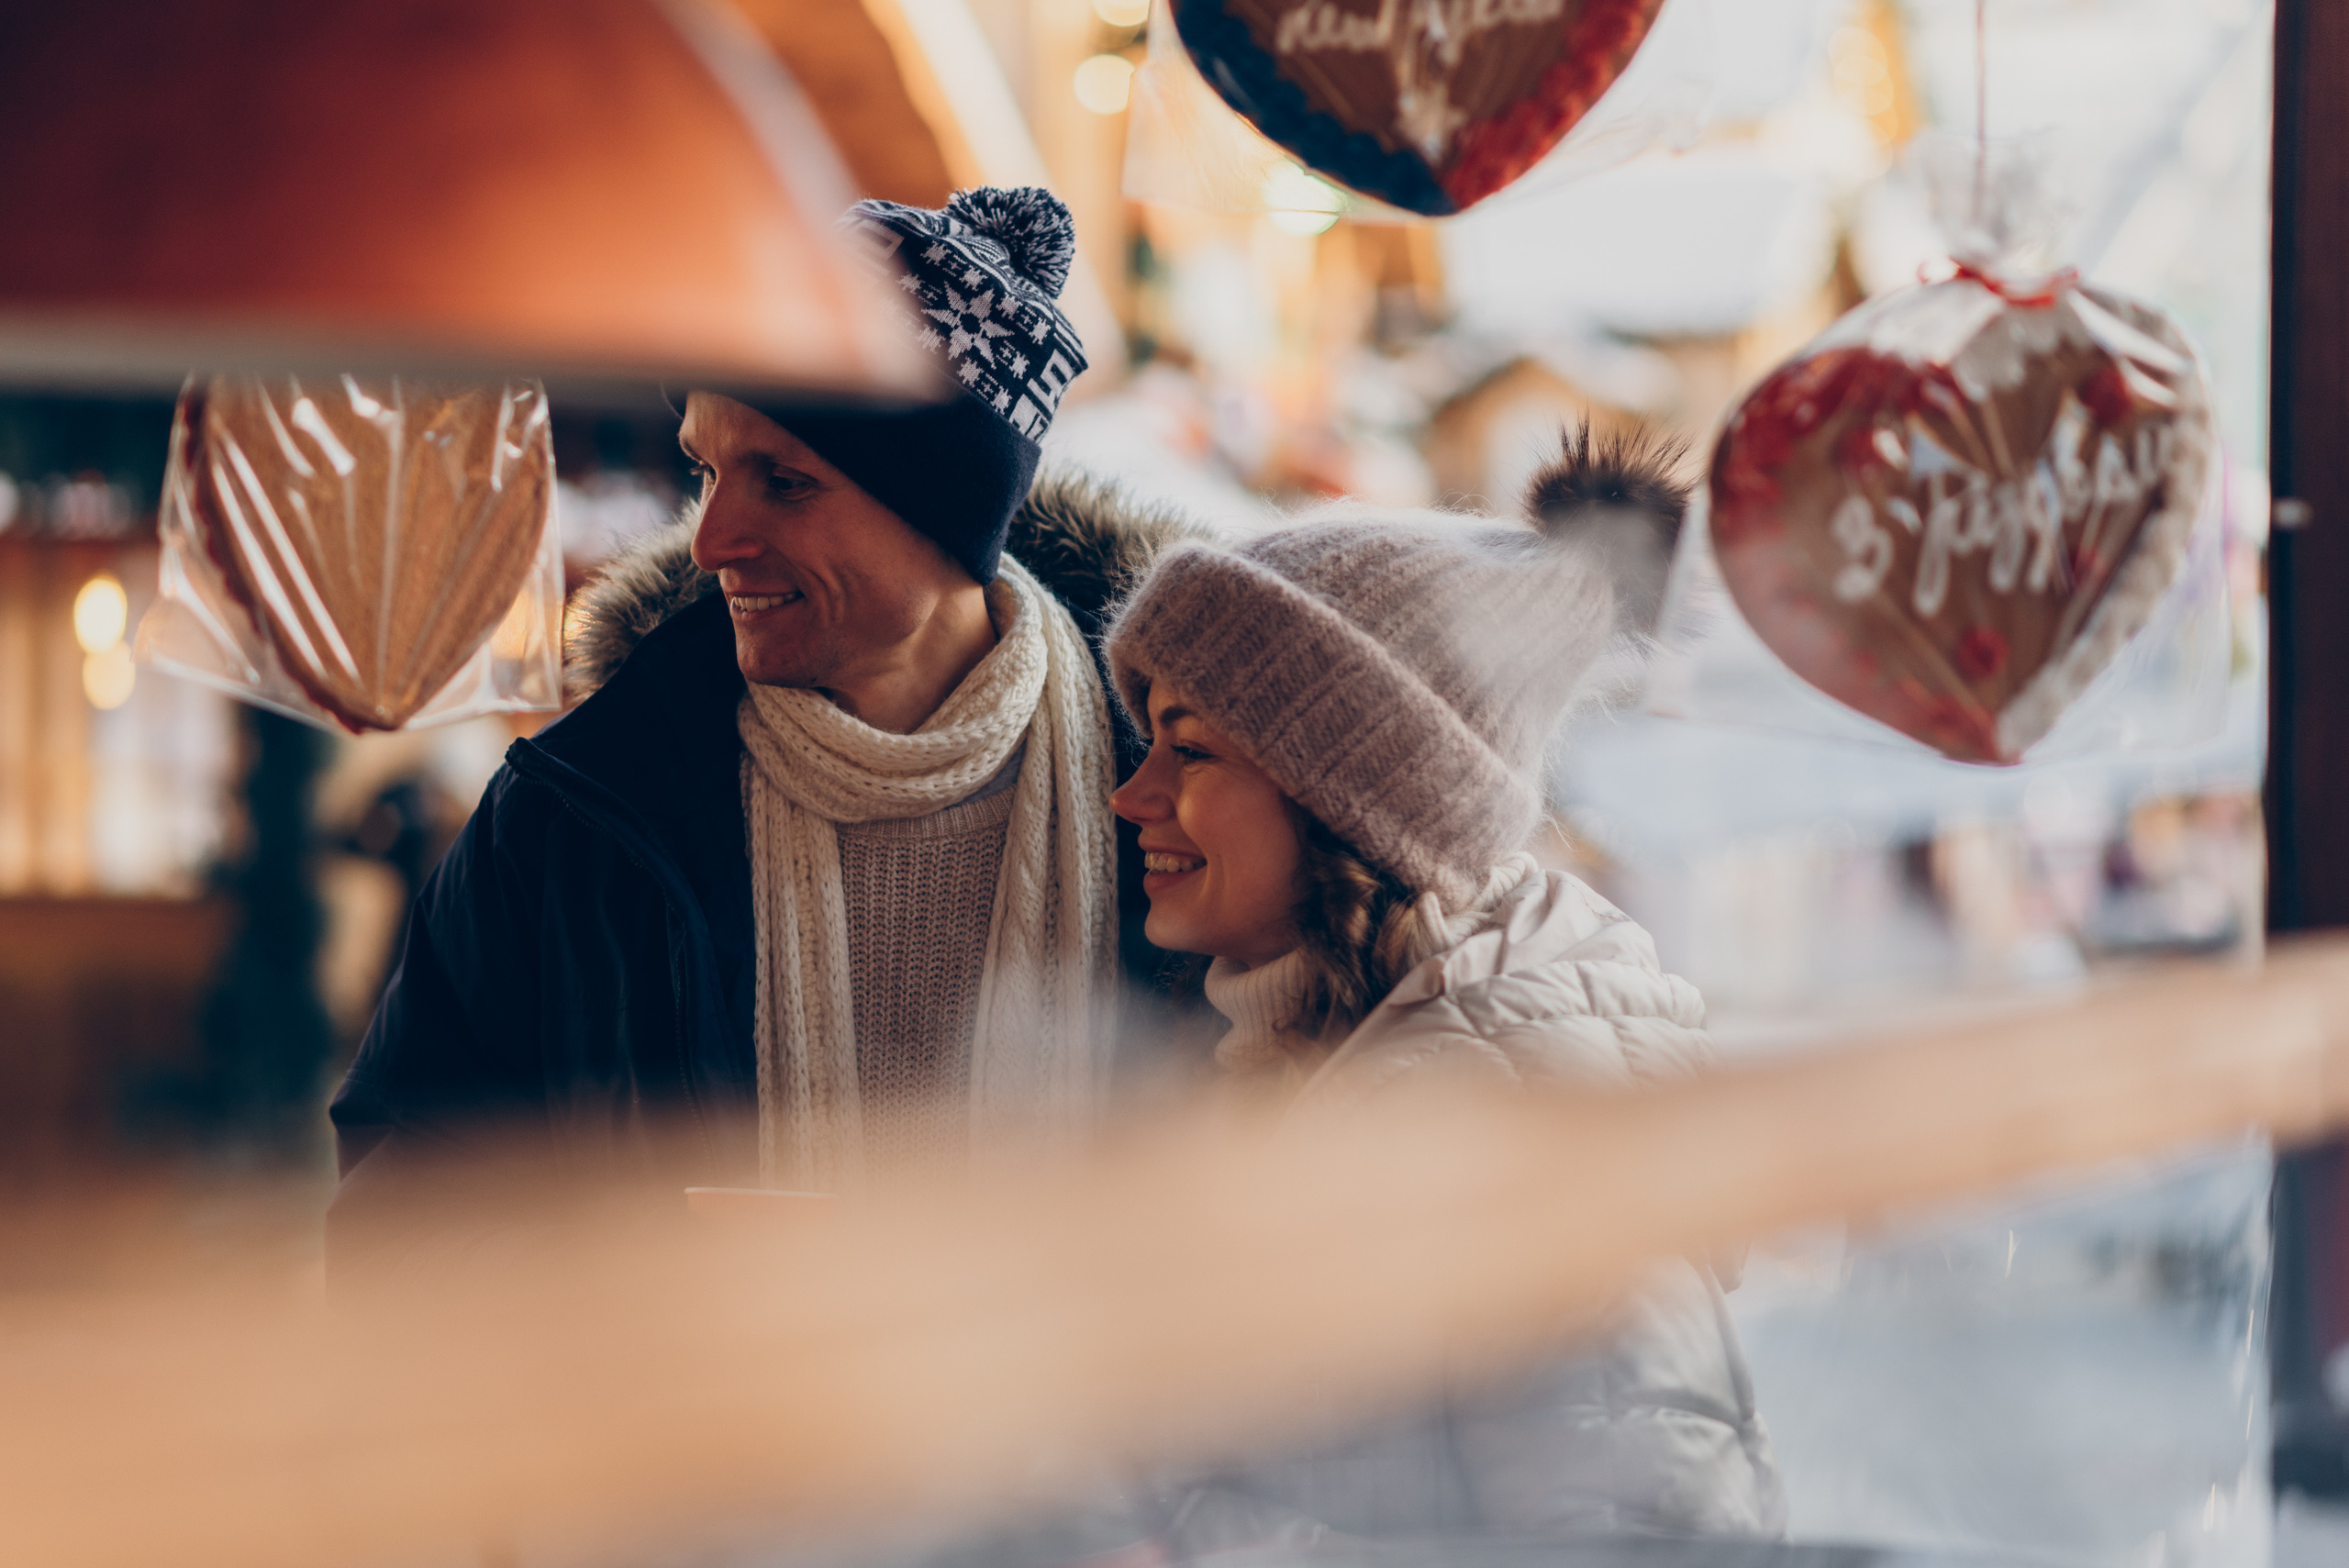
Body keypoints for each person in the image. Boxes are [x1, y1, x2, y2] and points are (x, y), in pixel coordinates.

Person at [327, 187, 1197, 1269]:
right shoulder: (577, 814)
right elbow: (399, 1217)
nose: (712, 537)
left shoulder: (1179, 799)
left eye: (783, 482)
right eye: (706, 469)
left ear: (947, 513)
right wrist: (636, 1285)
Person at [1101, 434, 1787, 1543]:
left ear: (1354, 799)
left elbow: (1654, 1534)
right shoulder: (1311, 1052)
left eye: (1192, 751)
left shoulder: (1516, 1106)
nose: (1133, 794)